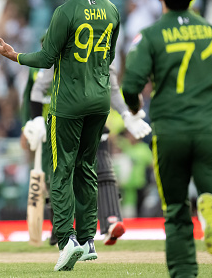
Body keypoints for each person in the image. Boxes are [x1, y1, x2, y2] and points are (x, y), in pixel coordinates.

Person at [0, 0, 121, 271]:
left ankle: (67, 241)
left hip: (69, 102)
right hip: (99, 101)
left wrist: (14, 55)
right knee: (86, 168)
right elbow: (109, 57)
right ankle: (89, 240)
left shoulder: (65, 11)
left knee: (61, 171)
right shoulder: (110, 8)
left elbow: (46, 58)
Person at [121, 0, 212, 278]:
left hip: (169, 134)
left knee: (176, 210)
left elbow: (130, 85)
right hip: (210, 131)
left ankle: (183, 273)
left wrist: (137, 109)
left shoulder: (150, 36)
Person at [24, 63, 151, 248]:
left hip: (93, 122)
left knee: (99, 171)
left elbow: (113, 90)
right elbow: (37, 88)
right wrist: (35, 118)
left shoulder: (105, 50)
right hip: (65, 123)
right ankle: (63, 231)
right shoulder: (62, 48)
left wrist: (125, 114)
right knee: (64, 176)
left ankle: (101, 227)